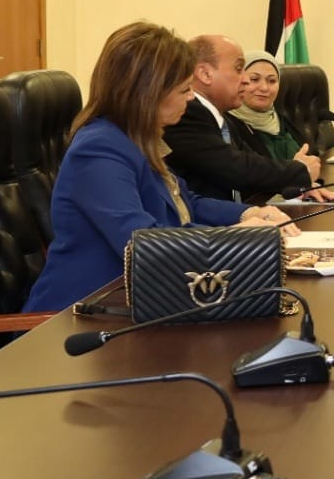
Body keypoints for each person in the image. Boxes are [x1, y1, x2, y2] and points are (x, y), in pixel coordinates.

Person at [24, 23, 296, 312]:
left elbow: (185, 203)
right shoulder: (99, 149)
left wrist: (248, 213)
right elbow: (139, 241)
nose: (191, 97)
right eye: (184, 89)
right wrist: (236, 237)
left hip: (143, 298)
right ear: (148, 93)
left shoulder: (138, 137)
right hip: (80, 314)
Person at [164, 35, 325, 203]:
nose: (246, 80)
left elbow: (252, 164)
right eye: (239, 69)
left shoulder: (223, 118)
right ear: (205, 74)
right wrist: (299, 171)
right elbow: (234, 168)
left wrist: (296, 188)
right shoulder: (187, 113)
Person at [230, 50, 322, 165]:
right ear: (240, 81)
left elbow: (311, 157)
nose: (264, 88)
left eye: (272, 81)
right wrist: (295, 169)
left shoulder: (280, 119)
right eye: (254, 79)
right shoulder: (227, 126)